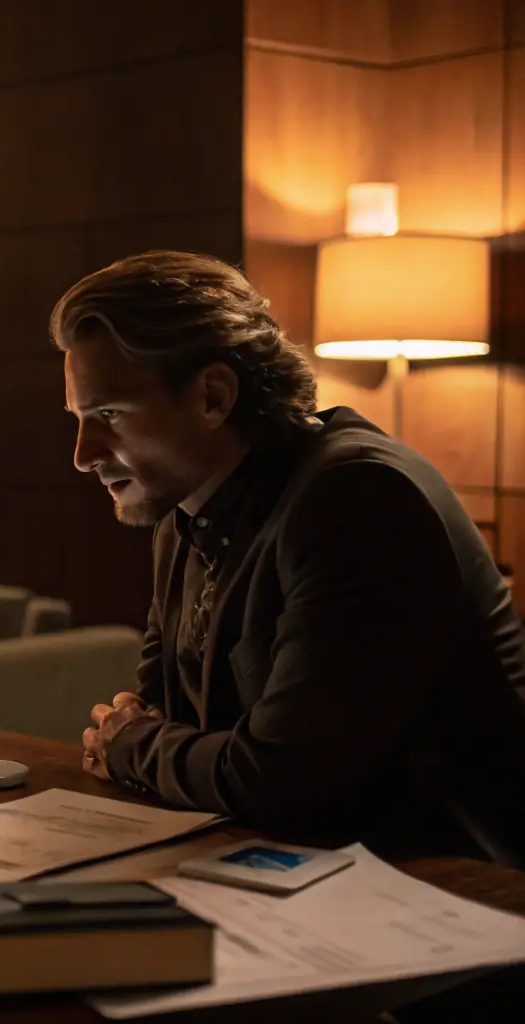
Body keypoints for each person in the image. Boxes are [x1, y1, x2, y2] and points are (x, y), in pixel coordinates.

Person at [61, 251, 525, 867]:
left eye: (109, 415)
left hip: (457, 889)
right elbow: (157, 717)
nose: (83, 454)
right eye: (78, 418)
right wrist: (148, 744)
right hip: (300, 868)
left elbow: (273, 780)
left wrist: (134, 749)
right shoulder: (183, 514)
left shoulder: (358, 499)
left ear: (213, 396)